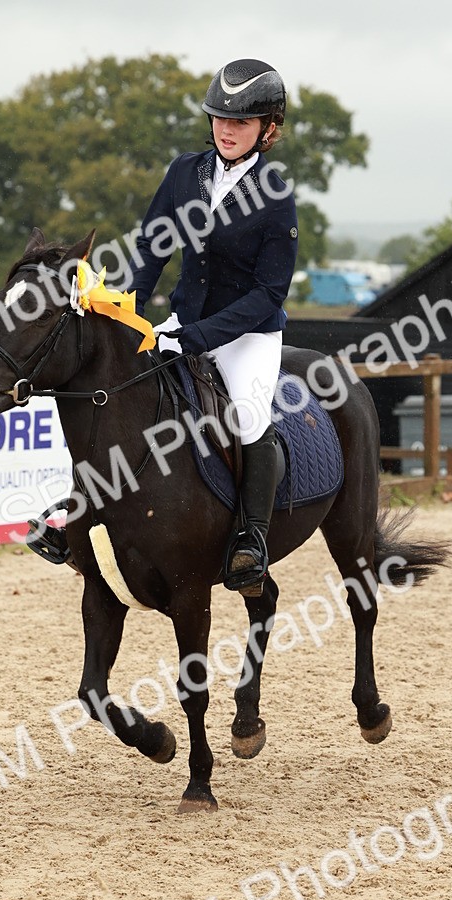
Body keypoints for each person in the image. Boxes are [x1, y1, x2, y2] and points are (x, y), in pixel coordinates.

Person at [28, 59, 298, 595]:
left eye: (240, 122)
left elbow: (269, 292)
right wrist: (125, 309)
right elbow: (153, 247)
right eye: (219, 118)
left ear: (268, 129)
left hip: (248, 335)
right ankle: (78, 513)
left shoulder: (275, 194)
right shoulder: (184, 173)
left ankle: (251, 539)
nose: (226, 129)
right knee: (116, 396)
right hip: (180, 323)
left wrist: (195, 337)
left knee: (248, 417)